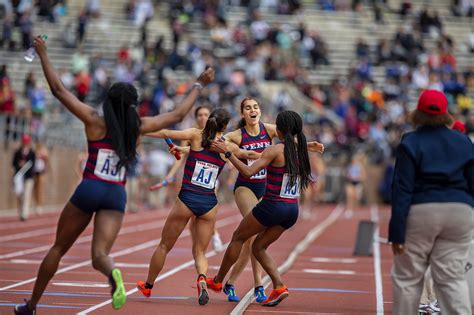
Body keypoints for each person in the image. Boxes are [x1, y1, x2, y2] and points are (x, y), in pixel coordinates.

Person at [14, 35, 215, 315]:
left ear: (109, 100)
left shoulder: (94, 120)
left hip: (90, 188)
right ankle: (113, 274)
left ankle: (31, 306)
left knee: (58, 248)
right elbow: (177, 114)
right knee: (101, 255)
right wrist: (199, 84)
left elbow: (59, 90)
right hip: (115, 193)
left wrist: (44, 54)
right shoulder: (139, 126)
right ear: (133, 105)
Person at [136, 108, 257, 305]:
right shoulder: (227, 147)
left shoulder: (195, 135)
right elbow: (249, 153)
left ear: (209, 120)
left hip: (186, 199)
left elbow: (165, 133)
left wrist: (139, 129)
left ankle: (148, 285)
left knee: (164, 246)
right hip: (209, 204)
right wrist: (286, 150)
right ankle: (202, 278)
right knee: (200, 251)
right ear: (225, 127)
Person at [206, 110, 314, 307]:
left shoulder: (274, 150)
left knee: (238, 237)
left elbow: (247, 172)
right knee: (258, 246)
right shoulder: (301, 151)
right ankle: (279, 286)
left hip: (272, 206)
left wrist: (228, 153)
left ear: (280, 130)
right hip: (292, 210)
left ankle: (218, 280)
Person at [389, 90, 474, 315]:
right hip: (459, 211)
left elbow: (402, 189)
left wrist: (396, 233)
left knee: (408, 278)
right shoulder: (463, 141)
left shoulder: (410, 142)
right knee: (452, 279)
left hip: (422, 210)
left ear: (418, 112)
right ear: (446, 114)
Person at [164, 105, 225, 252]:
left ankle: (214, 233)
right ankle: (198, 248)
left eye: (206, 114)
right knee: (192, 217)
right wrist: (171, 175)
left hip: (211, 179)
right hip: (193, 177)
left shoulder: (220, 135)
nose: (203, 117)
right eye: (200, 115)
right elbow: (181, 155)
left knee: (204, 207)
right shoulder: (191, 134)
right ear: (196, 117)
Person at [12, 134, 35, 221]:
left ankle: (24, 214)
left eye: (27, 142)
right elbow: (13, 163)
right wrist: (19, 164)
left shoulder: (32, 153)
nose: (25, 143)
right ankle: (20, 210)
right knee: (20, 195)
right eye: (24, 141)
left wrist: (26, 165)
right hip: (19, 177)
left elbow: (33, 164)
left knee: (27, 195)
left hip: (29, 177)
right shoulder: (17, 152)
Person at [344, 152, 366, 218]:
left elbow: (364, 176)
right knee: (349, 196)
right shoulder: (350, 166)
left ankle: (355, 209)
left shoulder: (360, 167)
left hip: (358, 183)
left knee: (357, 197)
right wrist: (349, 177)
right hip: (350, 183)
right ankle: (349, 210)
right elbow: (347, 174)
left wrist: (358, 177)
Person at [33, 140, 49, 215]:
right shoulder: (34, 150)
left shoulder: (44, 151)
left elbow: (47, 162)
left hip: (41, 173)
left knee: (40, 189)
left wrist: (45, 170)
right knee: (35, 189)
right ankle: (36, 204)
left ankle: (39, 205)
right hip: (34, 172)